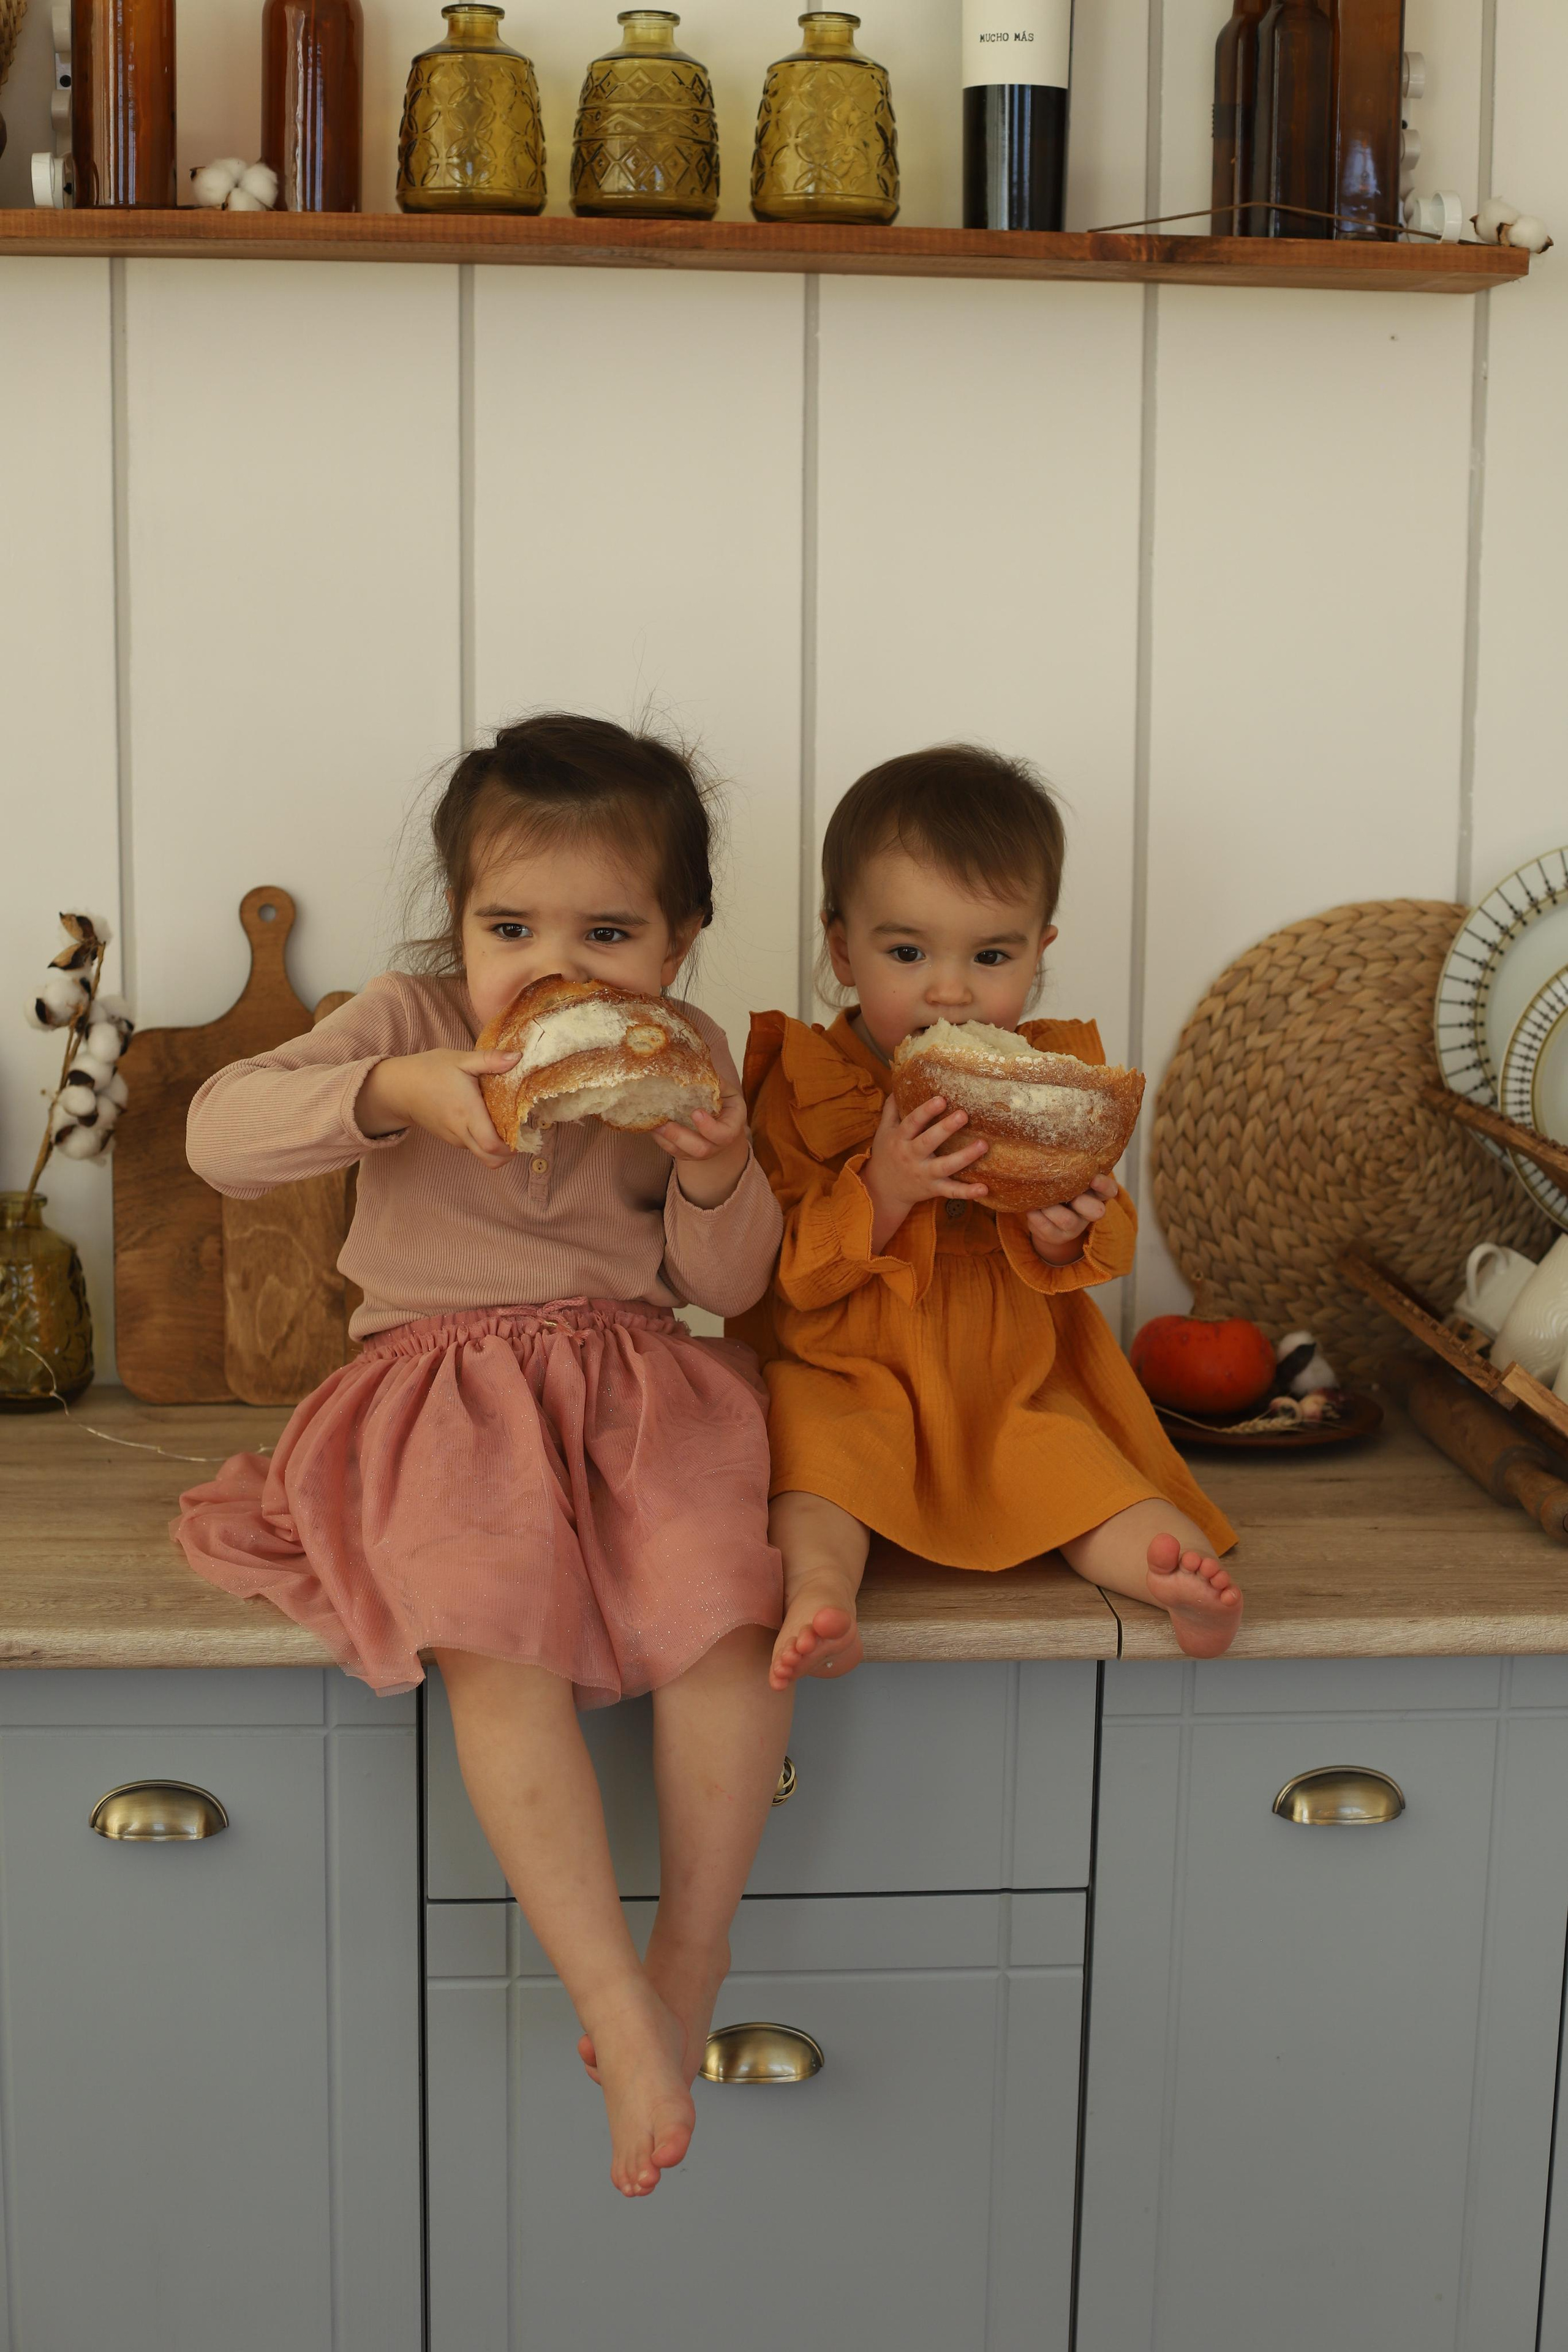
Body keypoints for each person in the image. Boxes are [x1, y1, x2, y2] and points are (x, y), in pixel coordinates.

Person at [174, 715, 791, 2201]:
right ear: (456, 925)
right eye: (508, 925)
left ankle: (687, 1957)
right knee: (493, 1640)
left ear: (681, 940)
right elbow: (216, 1135)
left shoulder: (687, 1057)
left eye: (608, 929)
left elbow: (741, 1275)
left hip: (629, 1389)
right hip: (435, 1396)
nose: (549, 959)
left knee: (728, 1618)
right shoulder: (407, 1022)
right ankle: (602, 1998)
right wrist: (393, 1094)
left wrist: (714, 1160)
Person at [730, 744, 1241, 1693]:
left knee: (1078, 1472)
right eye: (907, 952)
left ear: (1040, 953)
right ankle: (822, 1592)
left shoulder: (1049, 1084)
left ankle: (1165, 1571)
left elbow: (1107, 1242)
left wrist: (1062, 1230)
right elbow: (782, 1275)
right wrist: (882, 1187)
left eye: (991, 955)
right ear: (843, 948)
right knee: (812, 1466)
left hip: (1009, 1382)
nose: (950, 991)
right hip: (855, 1378)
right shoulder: (805, 1084)